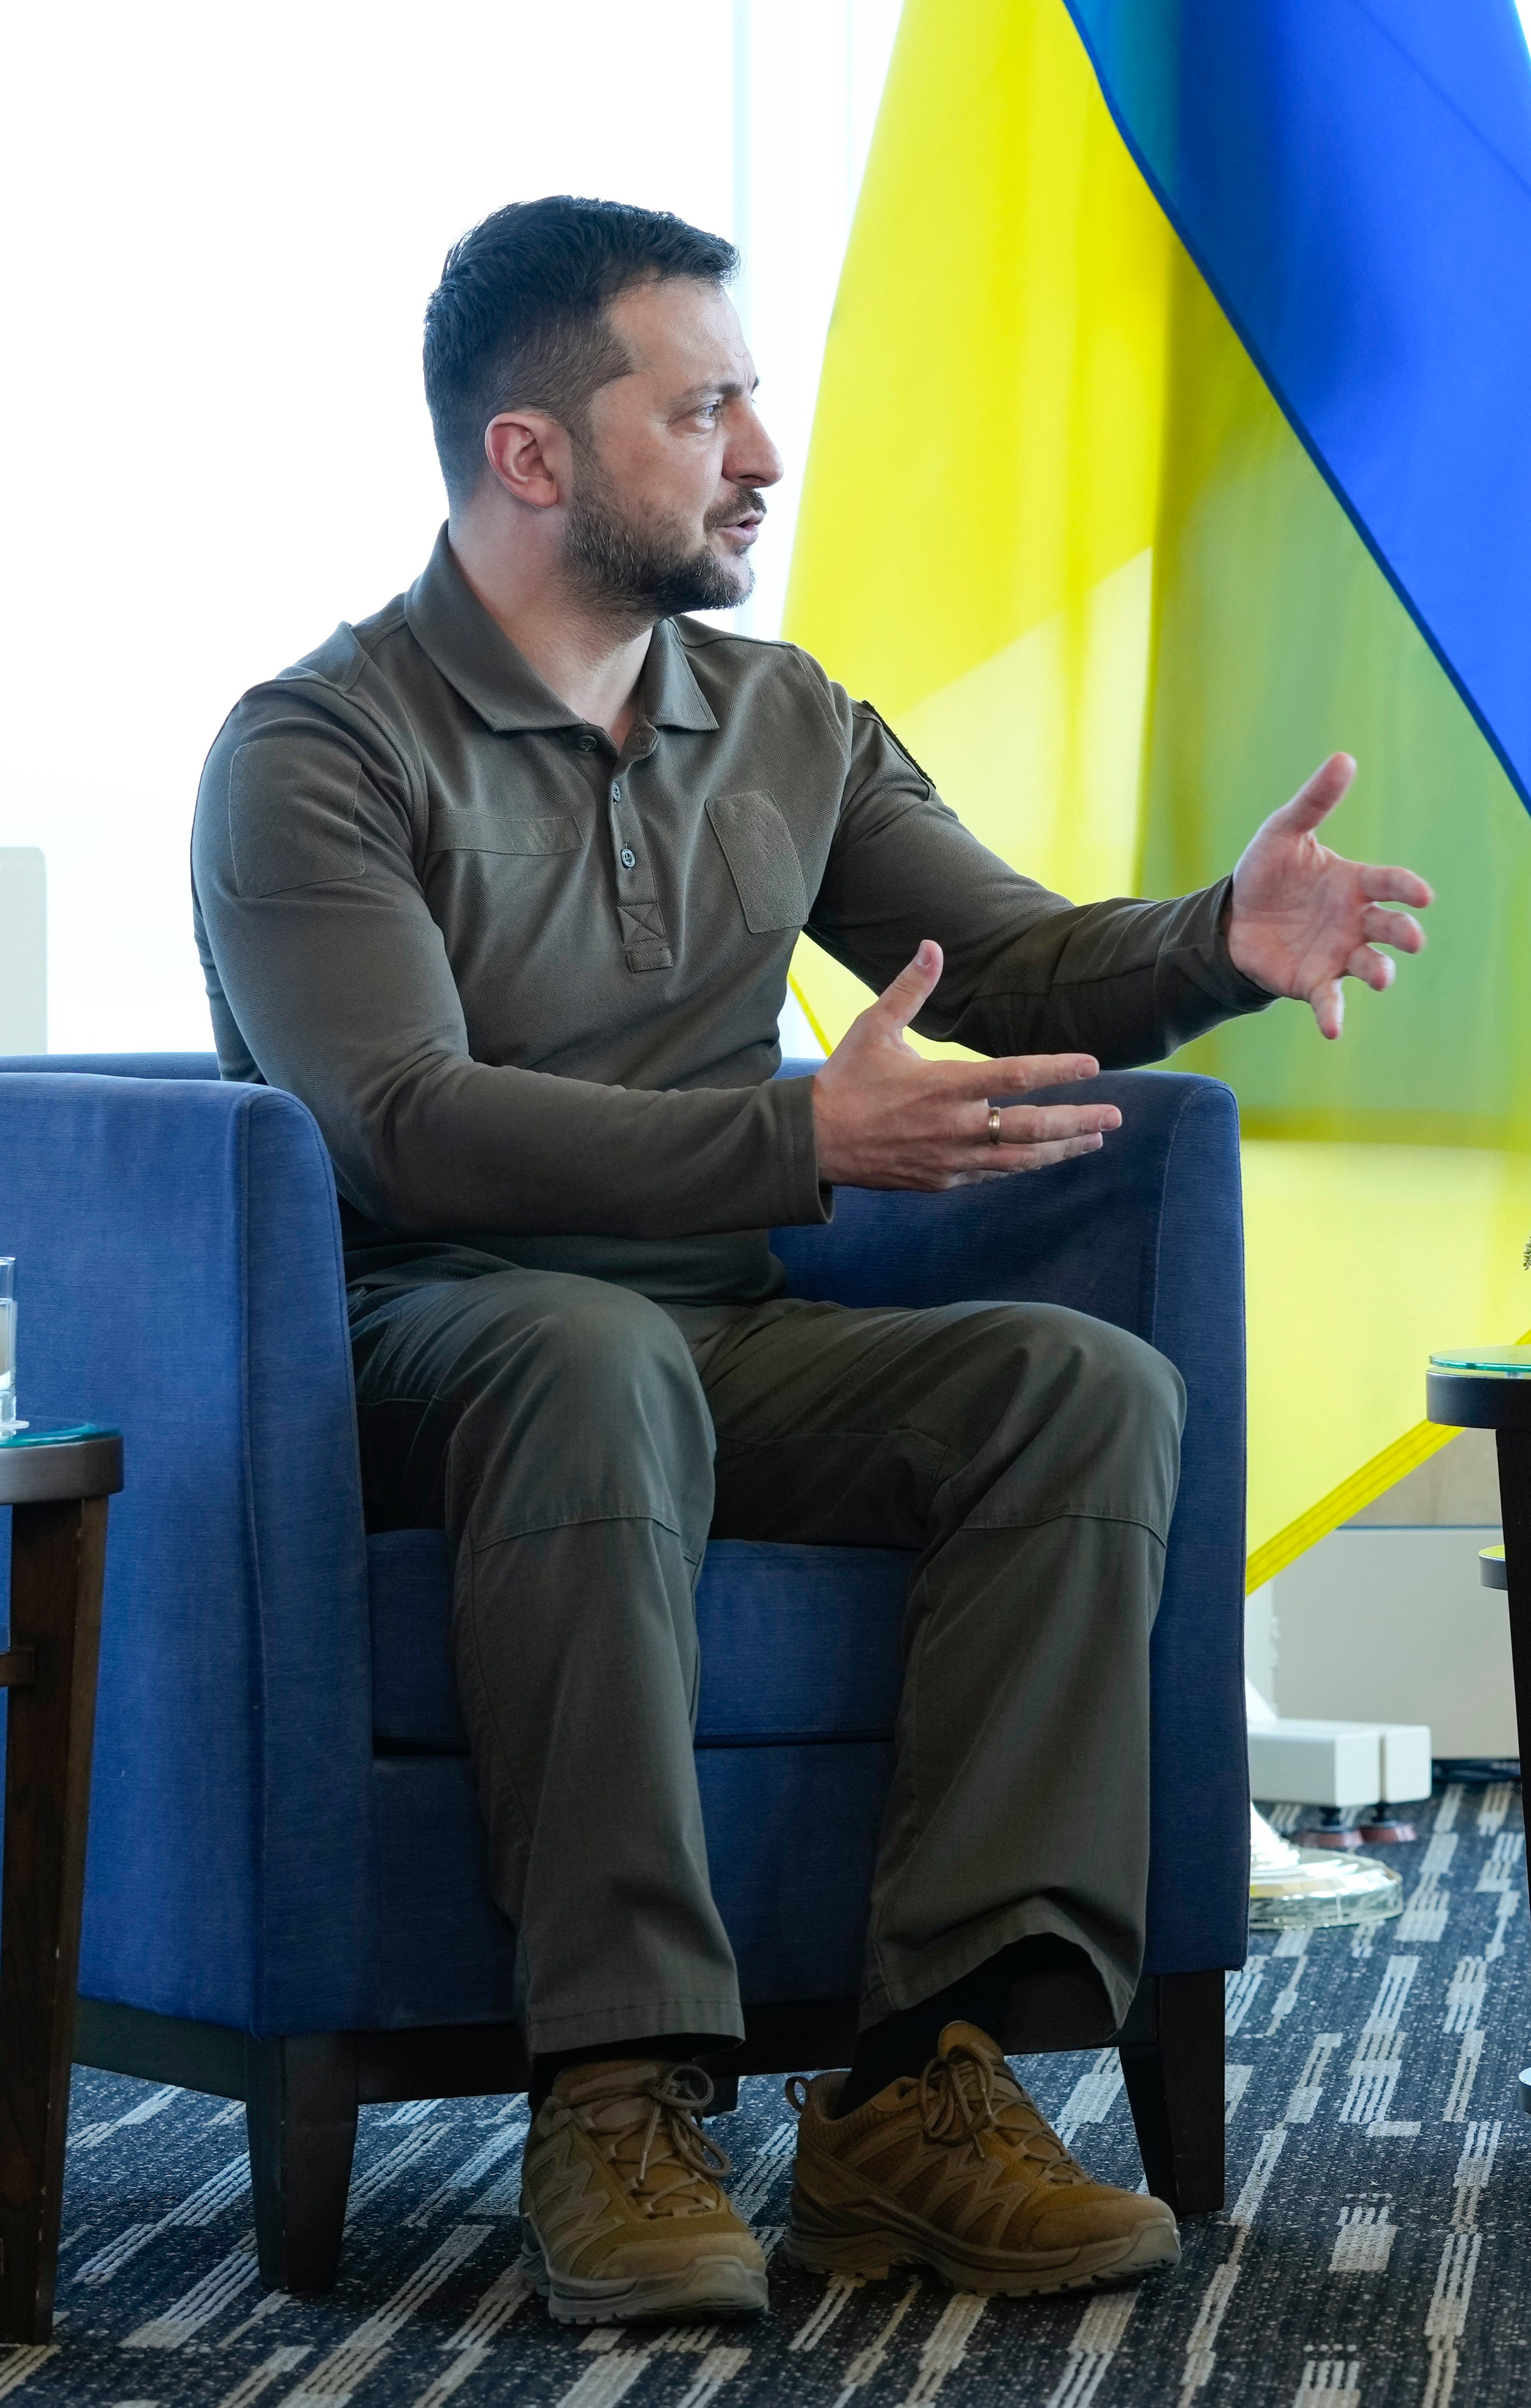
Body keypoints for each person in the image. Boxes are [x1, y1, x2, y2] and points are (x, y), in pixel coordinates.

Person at [188, 197, 1436, 2326]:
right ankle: (615, 2087)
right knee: (587, 1357)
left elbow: (1017, 954)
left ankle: (916, 2087)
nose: (761, 448)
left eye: (751, 398)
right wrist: (791, 1132)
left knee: (1078, 1387)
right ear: (533, 457)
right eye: (702, 407)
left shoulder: (784, 719)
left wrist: (1214, 944)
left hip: (720, 1330)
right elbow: (397, 1114)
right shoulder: (314, 753)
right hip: (429, 1336)